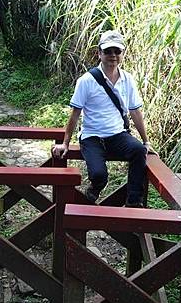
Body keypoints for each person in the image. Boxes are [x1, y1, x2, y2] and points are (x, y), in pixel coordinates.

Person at [52, 30, 151, 207]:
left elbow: (135, 112)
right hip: (92, 136)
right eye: (108, 51)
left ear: (122, 53)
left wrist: (146, 142)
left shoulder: (128, 80)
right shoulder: (87, 80)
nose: (113, 55)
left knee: (138, 151)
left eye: (117, 51)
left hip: (117, 134)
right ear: (99, 53)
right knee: (99, 175)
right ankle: (94, 188)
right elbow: (75, 113)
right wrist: (65, 143)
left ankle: (134, 202)